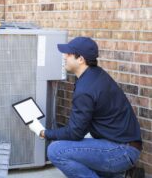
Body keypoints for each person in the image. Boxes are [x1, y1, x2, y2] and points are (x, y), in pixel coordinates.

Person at [28, 37, 142, 178]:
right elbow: (81, 126)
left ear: (80, 59)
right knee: (76, 145)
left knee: (55, 150)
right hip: (125, 146)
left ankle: (120, 172)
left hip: (121, 151)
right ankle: (121, 174)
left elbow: (75, 133)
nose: (64, 56)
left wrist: (43, 133)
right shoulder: (95, 74)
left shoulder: (86, 89)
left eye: (68, 54)